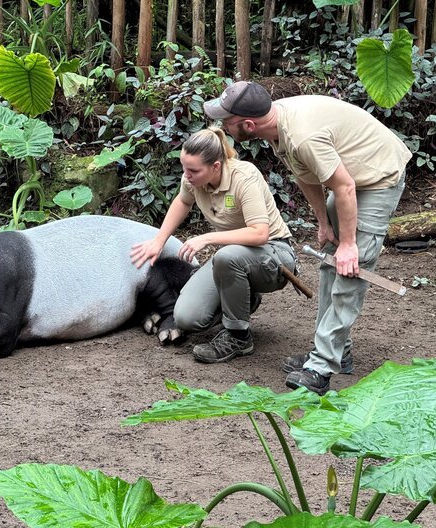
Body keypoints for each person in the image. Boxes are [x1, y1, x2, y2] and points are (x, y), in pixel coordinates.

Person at [204, 81, 411, 395]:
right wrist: (324, 223)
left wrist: (350, 244)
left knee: (348, 269)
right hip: (349, 177)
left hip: (375, 175)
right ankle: (336, 352)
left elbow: (343, 188)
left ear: (247, 124)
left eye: (226, 121)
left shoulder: (303, 135)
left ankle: (322, 365)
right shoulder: (277, 127)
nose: (222, 127)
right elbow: (306, 174)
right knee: (330, 262)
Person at [131, 127, 297, 363]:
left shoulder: (244, 178)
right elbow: (182, 201)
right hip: (232, 258)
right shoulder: (193, 178)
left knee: (226, 257)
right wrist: (159, 241)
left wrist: (207, 238)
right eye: (184, 168)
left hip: (275, 256)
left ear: (216, 166)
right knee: (186, 317)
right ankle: (244, 299)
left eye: (193, 170)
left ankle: (238, 338)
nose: (186, 175)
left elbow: (259, 234)